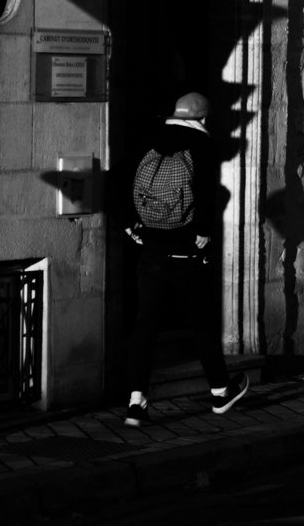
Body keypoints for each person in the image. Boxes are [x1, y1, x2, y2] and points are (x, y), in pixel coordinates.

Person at [123, 92, 249, 425]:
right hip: (185, 254)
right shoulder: (202, 145)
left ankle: (136, 402)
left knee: (144, 325)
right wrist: (204, 232)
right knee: (203, 324)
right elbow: (206, 192)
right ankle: (221, 393)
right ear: (203, 119)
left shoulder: (149, 138)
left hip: (150, 251)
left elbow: (122, 178)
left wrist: (129, 224)